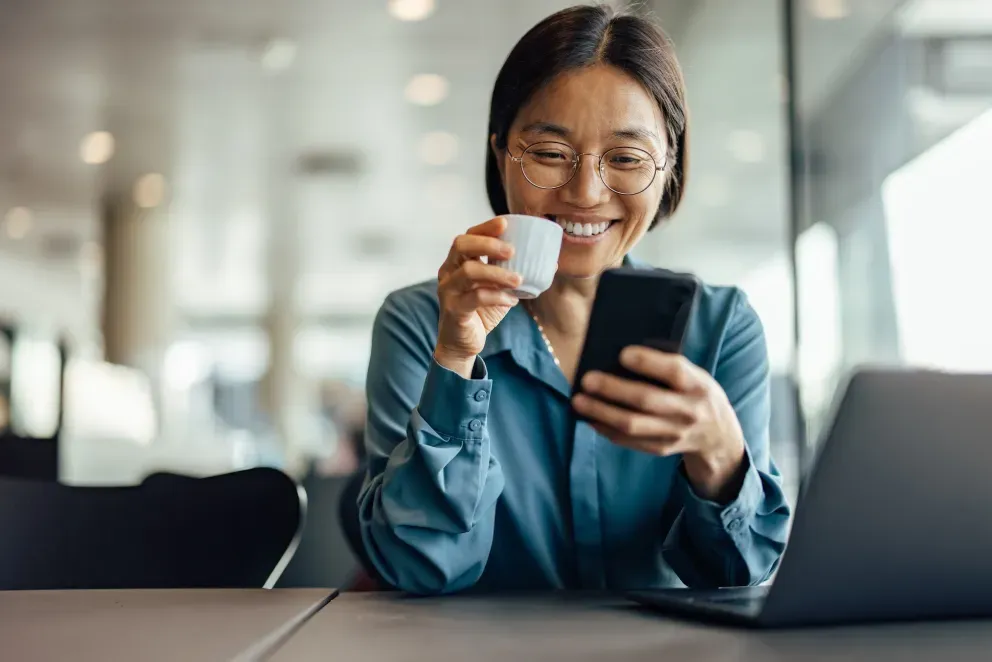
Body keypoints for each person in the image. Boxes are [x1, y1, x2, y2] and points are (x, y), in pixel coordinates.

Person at [358, 4, 791, 595]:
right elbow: (421, 569)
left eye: (626, 158)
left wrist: (719, 454)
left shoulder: (720, 328)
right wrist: (456, 359)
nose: (585, 192)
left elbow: (738, 577)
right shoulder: (422, 322)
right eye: (550, 154)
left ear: (668, 168)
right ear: (501, 154)